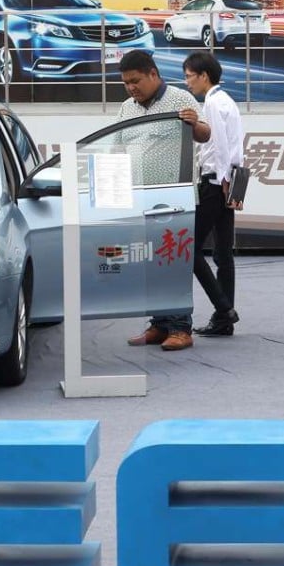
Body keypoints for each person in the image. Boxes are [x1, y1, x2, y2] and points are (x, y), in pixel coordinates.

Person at [120, 50, 211, 352]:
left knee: (174, 262)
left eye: (136, 81)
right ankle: (159, 324)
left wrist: (194, 123)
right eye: (126, 83)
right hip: (138, 200)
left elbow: (205, 134)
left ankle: (180, 328)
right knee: (148, 264)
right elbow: (117, 150)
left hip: (174, 200)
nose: (132, 88)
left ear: (153, 74)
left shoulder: (180, 99)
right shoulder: (126, 109)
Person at [183, 51, 243, 337]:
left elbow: (218, 145)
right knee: (223, 253)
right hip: (230, 180)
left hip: (216, 182)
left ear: (203, 75)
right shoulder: (227, 101)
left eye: (189, 76)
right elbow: (236, 150)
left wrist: (220, 181)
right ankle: (224, 320)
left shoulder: (212, 103)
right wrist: (231, 182)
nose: (187, 83)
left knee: (191, 250)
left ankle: (223, 309)